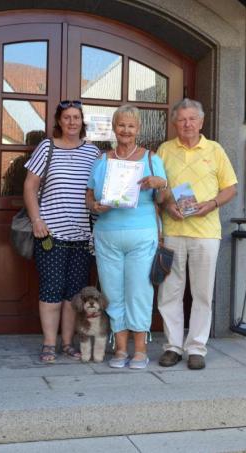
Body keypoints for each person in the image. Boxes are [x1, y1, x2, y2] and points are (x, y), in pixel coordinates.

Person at [156, 98, 238, 370]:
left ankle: (196, 348)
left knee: (202, 294)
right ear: (174, 123)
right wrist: (167, 205)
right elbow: (158, 190)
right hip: (172, 231)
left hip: (206, 233)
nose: (187, 124)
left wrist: (212, 204)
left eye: (192, 119)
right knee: (170, 292)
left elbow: (230, 188)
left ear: (201, 122)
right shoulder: (165, 150)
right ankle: (172, 346)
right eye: (182, 119)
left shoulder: (215, 150)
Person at [86, 105, 168, 370]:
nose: (125, 130)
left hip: (142, 235)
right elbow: (89, 195)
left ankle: (140, 351)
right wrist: (94, 206)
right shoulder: (101, 160)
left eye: (131, 126)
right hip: (107, 234)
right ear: (114, 127)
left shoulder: (151, 159)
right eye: (121, 125)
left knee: (139, 291)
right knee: (112, 293)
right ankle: (120, 349)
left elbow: (163, 199)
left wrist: (160, 183)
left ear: (138, 129)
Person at [24, 100, 100, 363]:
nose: (72, 122)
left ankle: (67, 343)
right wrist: (36, 220)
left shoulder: (93, 152)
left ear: (82, 121)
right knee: (51, 290)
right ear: (59, 121)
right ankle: (49, 343)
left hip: (82, 236)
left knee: (73, 294)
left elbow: (98, 189)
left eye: (76, 117)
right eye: (66, 117)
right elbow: (30, 186)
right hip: (50, 234)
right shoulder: (47, 147)